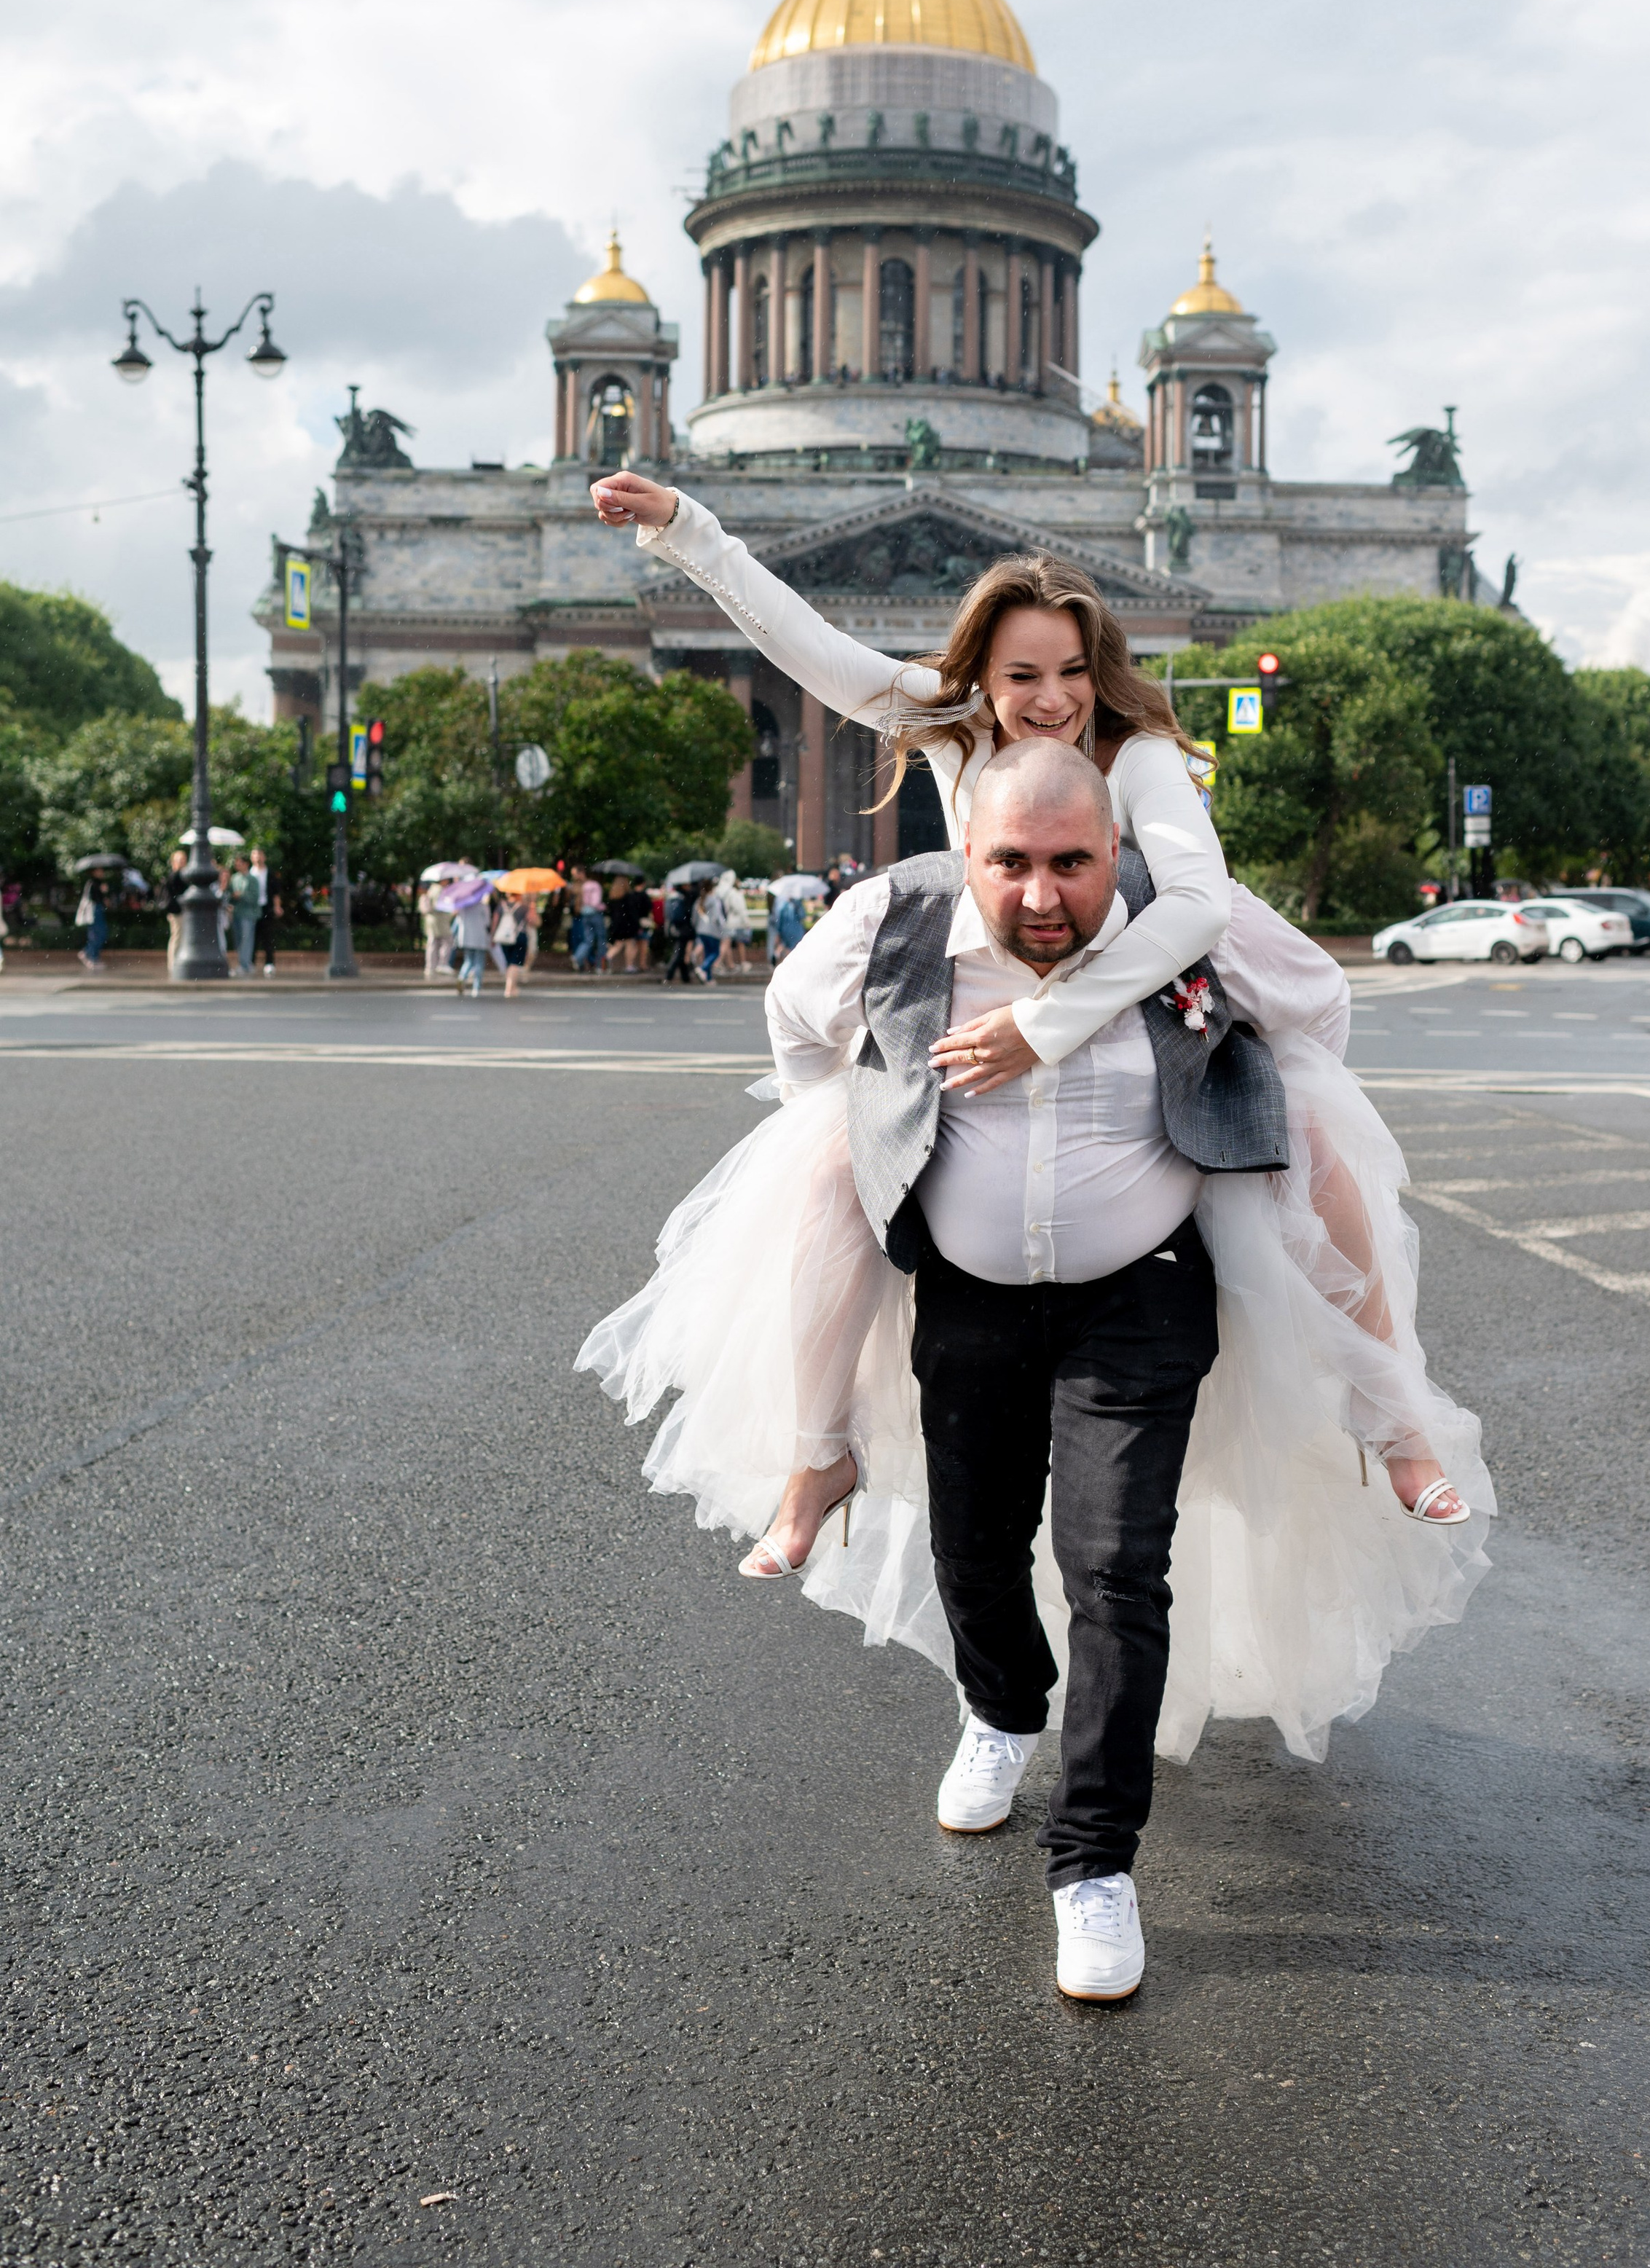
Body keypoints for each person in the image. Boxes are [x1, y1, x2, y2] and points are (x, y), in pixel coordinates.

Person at [581, 745, 1482, 1999]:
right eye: (1012, 862)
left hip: (1144, 1295)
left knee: (1118, 1567)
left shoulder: (1190, 922)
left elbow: (1320, 1008)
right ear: (971, 852)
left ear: (1119, 851)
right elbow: (793, 1018)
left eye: (1073, 861)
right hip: (971, 1297)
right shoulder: (899, 928)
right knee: (975, 1549)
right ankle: (1003, 1710)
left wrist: (1248, 1094)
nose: (1044, 893)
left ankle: (1095, 1863)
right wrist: (852, 1129)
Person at [588, 470, 1478, 1567]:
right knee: (829, 1178)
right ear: (981, 673)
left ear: (1097, 670)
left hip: (1151, 970)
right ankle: (820, 1457)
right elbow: (805, 645)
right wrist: (688, 533)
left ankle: (1398, 1429)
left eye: (1070, 671)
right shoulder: (950, 726)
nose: (1050, 698)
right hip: (984, 971)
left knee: (1316, 1156)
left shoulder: (1137, 753)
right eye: (1022, 675)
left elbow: (1198, 902)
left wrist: (1047, 1030)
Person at [451, 878, 492, 997]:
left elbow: (459, 920)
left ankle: (462, 977)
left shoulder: (463, 906)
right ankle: (476, 988)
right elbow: (487, 923)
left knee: (468, 961)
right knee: (479, 962)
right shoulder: (483, 906)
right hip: (480, 938)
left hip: (466, 937)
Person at [605, 875, 652, 976]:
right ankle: (629, 966)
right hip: (627, 925)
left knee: (618, 945)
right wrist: (637, 925)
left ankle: (608, 957)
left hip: (616, 925)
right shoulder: (628, 897)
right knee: (630, 944)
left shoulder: (613, 897)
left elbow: (610, 913)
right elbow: (633, 913)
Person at [227, 855, 262, 976]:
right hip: (237, 913)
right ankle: (243, 963)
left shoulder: (253, 879)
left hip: (248, 914)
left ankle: (245, 964)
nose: (237, 865)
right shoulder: (235, 878)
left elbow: (255, 898)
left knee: (247, 939)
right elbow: (230, 896)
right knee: (238, 940)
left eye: (240, 863)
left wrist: (242, 895)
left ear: (246, 864)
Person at [248, 845, 277, 976]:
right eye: (255, 855)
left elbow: (276, 892)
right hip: (252, 908)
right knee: (252, 936)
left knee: (268, 936)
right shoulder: (250, 873)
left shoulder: (269, 872)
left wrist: (277, 906)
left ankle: (269, 963)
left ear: (264, 857)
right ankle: (251, 962)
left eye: (260, 854)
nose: (258, 857)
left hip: (266, 907)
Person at [570, 868, 605, 975]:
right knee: (601, 939)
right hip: (595, 914)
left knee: (588, 939)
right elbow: (595, 903)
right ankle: (599, 965)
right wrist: (603, 907)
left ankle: (578, 956)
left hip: (585, 914)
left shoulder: (584, 886)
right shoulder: (596, 886)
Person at [661, 879, 696, 985]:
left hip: (675, 929)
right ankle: (669, 976)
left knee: (680, 952)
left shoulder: (672, 897)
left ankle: (685, 977)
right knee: (679, 953)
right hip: (683, 929)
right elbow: (687, 914)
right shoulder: (684, 897)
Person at [421, 879, 455, 983]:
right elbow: (439, 906)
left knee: (432, 943)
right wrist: (451, 911)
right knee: (447, 941)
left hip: (431, 920)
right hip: (440, 921)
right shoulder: (440, 890)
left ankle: (430, 967)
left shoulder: (432, 889)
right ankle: (442, 964)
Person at [694, 877, 727, 984]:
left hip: (701, 930)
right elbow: (718, 917)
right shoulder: (714, 900)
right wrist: (723, 929)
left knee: (708, 953)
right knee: (715, 953)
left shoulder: (699, 900)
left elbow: (694, 917)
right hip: (713, 931)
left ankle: (708, 978)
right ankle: (703, 968)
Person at [75, 871, 109, 970]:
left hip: (98, 910)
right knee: (97, 933)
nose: (102, 872)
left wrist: (104, 893)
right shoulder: (92, 883)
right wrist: (102, 891)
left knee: (101, 933)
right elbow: (94, 898)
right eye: (99, 870)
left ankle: (91, 955)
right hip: (94, 911)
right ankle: (90, 956)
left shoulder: (98, 883)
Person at [164, 849, 188, 976]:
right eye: (180, 860)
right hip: (176, 911)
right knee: (177, 937)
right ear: (174, 862)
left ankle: (175, 963)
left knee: (179, 937)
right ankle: (173, 964)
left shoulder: (179, 875)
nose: (182, 863)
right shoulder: (175, 876)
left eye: (184, 860)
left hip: (179, 911)